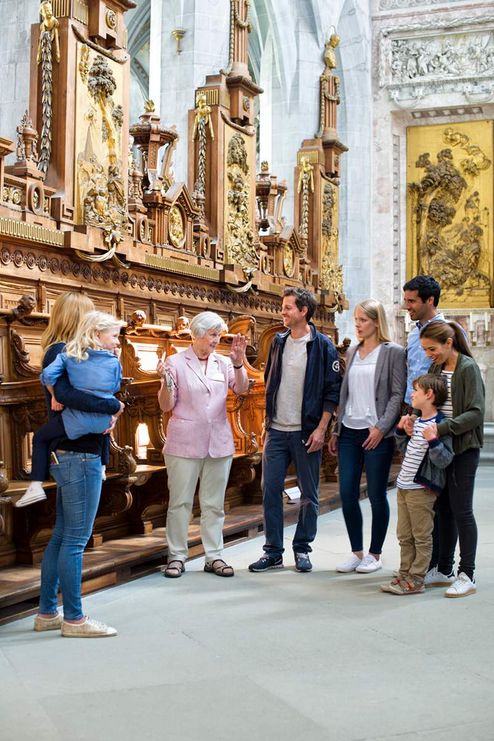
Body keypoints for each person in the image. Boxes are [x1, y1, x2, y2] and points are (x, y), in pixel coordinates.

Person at [33, 292, 124, 637]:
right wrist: (111, 407)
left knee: (61, 536)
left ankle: (46, 613)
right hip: (78, 453)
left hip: (76, 452)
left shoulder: (77, 355)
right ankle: (74, 619)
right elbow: (73, 398)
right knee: (75, 540)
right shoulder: (64, 352)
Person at [249, 287, 341, 574]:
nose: (282, 311)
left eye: (288, 307)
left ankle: (302, 548)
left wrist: (322, 429)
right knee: (270, 490)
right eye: (283, 306)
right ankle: (273, 551)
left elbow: (332, 391)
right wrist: (267, 423)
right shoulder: (277, 342)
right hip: (276, 430)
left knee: (308, 494)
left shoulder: (322, 346)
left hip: (306, 431)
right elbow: (270, 384)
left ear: (303, 311)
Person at [157, 311, 248, 578]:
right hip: (184, 442)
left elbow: (241, 389)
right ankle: (176, 556)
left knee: (214, 504)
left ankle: (214, 556)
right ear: (196, 334)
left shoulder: (223, 363)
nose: (216, 340)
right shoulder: (175, 362)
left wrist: (240, 364)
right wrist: (164, 381)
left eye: (218, 335)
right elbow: (166, 405)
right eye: (212, 335)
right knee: (180, 502)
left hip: (218, 441)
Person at [329, 299, 406, 574]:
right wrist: (337, 429)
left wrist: (381, 428)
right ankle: (356, 551)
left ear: (376, 321)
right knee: (347, 492)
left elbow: (397, 395)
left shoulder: (393, 352)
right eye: (357, 320)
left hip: (376, 432)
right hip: (349, 429)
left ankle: (374, 554)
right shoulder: (351, 351)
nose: (358, 325)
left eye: (363, 320)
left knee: (375, 494)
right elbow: (344, 393)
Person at [16, 311, 123, 508]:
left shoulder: (69, 356)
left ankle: (35, 485)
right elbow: (115, 388)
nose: (117, 341)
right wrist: (115, 407)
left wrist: (54, 394)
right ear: (97, 334)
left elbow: (47, 376)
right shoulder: (112, 360)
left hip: (75, 424)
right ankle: (103, 467)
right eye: (115, 336)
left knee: (40, 437)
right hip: (102, 424)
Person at [418, 321, 484, 597]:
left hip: (463, 447)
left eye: (432, 348)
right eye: (424, 350)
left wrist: (442, 428)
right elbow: (431, 402)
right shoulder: (436, 368)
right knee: (441, 509)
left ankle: (466, 573)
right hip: (440, 448)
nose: (428, 354)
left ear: (448, 342)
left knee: (462, 510)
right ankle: (443, 568)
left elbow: (476, 413)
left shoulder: (467, 368)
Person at [381, 374, 453, 595]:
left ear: (429, 395)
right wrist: (402, 431)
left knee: (422, 536)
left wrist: (433, 440)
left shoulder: (440, 424)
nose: (411, 394)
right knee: (404, 535)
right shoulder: (417, 420)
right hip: (404, 485)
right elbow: (406, 450)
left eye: (416, 390)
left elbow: (444, 459)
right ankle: (404, 574)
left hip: (422, 489)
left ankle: (417, 579)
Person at [402, 275, 443, 406]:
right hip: (409, 407)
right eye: (405, 300)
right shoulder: (413, 334)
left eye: (412, 301)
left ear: (430, 300)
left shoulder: (449, 331)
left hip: (434, 409)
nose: (406, 306)